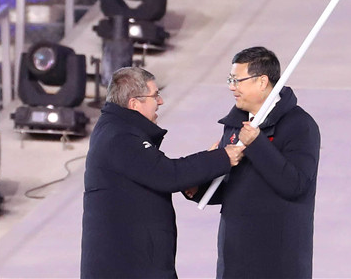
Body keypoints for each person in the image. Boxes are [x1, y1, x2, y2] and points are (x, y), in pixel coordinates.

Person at [81, 66, 246, 279]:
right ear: (134, 104)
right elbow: (167, 175)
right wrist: (223, 157)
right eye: (155, 95)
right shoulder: (119, 137)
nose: (160, 102)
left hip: (133, 262)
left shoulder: (116, 130)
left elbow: (157, 170)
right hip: (127, 267)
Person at [189, 47, 321, 279]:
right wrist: (199, 188)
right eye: (230, 80)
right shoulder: (235, 124)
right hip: (235, 254)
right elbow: (234, 186)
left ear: (262, 82)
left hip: (277, 257)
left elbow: (296, 185)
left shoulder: (300, 125)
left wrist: (257, 144)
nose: (232, 87)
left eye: (237, 80)